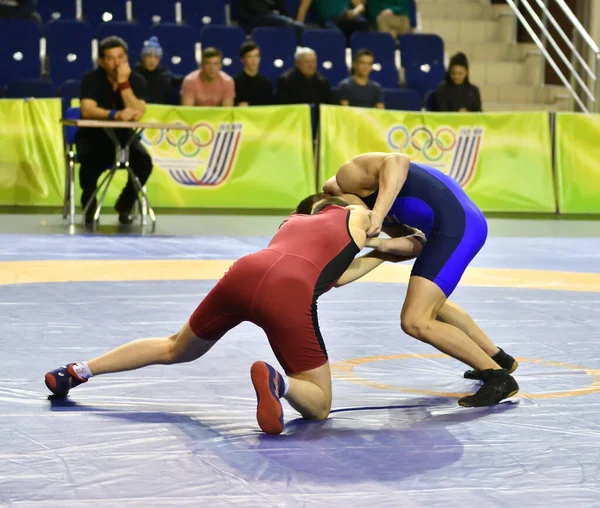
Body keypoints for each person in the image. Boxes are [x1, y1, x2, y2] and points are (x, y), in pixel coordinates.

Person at [44, 197, 422, 434]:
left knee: (176, 346)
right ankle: (278, 383)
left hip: (246, 272)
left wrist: (378, 252)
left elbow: (341, 274)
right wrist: (416, 238)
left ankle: (76, 371)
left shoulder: (292, 223)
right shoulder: (356, 213)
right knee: (320, 405)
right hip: (289, 291)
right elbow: (406, 244)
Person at [322, 152, 520, 406]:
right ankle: (497, 357)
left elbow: (397, 160)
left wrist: (379, 216)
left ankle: (498, 378)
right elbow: (416, 245)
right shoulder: (371, 210)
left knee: (415, 320)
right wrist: (378, 244)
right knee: (429, 305)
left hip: (457, 226)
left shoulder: (348, 177)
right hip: (451, 227)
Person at [77, 36, 152, 226]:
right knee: (89, 167)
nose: (116, 63)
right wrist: (114, 115)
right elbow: (87, 109)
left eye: (121, 57)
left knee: (144, 163)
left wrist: (124, 83)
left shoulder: (137, 80)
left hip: (124, 140)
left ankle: (124, 205)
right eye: (110, 58)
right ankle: (90, 208)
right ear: (101, 61)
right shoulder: (91, 78)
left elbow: (137, 113)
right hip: (95, 138)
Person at [297, 0, 368, 43]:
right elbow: (303, 9)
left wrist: (355, 12)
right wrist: (298, 31)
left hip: (345, 17)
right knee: (335, 34)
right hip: (327, 20)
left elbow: (360, 6)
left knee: (363, 24)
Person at [239, 0, 304, 44]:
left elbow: (283, 10)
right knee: (296, 26)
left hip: (272, 17)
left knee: (298, 27)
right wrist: (273, 13)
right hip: (252, 19)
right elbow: (255, 8)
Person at [134, 36, 173, 105]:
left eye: (156, 57)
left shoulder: (165, 77)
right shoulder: (134, 75)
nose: (152, 61)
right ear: (143, 58)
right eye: (149, 56)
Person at [233, 40, 273, 106]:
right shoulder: (234, 82)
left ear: (260, 58)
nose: (253, 60)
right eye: (249, 56)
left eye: (256, 56)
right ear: (242, 60)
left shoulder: (266, 83)